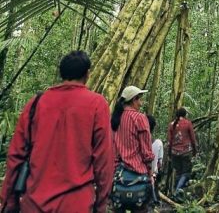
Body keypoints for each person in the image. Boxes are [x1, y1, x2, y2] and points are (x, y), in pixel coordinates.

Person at [0, 51, 114, 213]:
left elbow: (16, 155)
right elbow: (103, 161)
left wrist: (8, 202)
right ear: (87, 74)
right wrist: (101, 203)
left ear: (61, 73)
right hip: (76, 205)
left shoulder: (36, 103)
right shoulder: (97, 104)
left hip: (34, 204)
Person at [111, 86, 155, 213]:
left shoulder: (116, 118)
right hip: (138, 174)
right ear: (134, 99)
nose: (141, 103)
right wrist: (150, 172)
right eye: (139, 99)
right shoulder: (140, 118)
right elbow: (146, 151)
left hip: (118, 175)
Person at [167, 107, 197, 196]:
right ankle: (177, 192)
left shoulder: (171, 124)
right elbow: (193, 139)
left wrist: (169, 153)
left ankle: (176, 194)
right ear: (185, 115)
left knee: (178, 173)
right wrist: (195, 151)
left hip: (174, 153)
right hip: (186, 153)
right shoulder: (188, 123)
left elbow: (169, 141)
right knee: (186, 173)